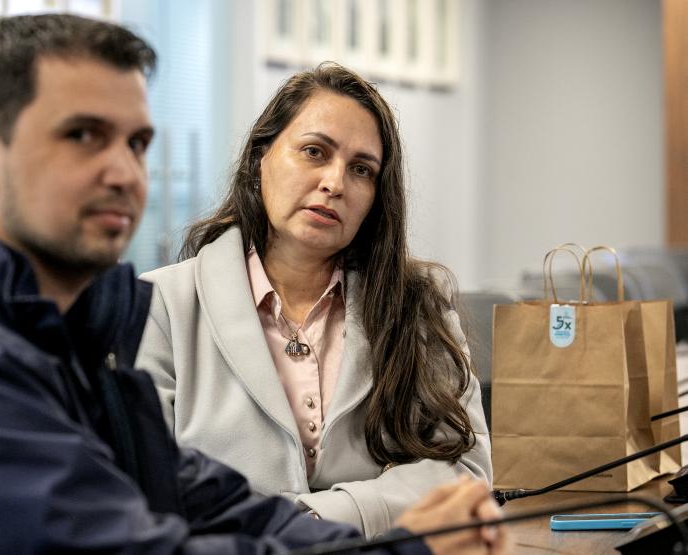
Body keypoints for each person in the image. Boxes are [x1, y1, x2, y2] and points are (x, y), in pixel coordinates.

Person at [0, 15, 505, 554]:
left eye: (135, 143)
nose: (124, 172)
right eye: (83, 136)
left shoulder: (64, 327)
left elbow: (191, 489)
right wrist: (401, 542)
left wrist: (368, 539)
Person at [136, 63, 492, 538]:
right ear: (261, 157)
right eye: (313, 152)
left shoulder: (417, 304)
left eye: (361, 169)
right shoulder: (161, 305)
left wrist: (320, 517)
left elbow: (464, 476)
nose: (335, 183)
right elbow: (142, 486)